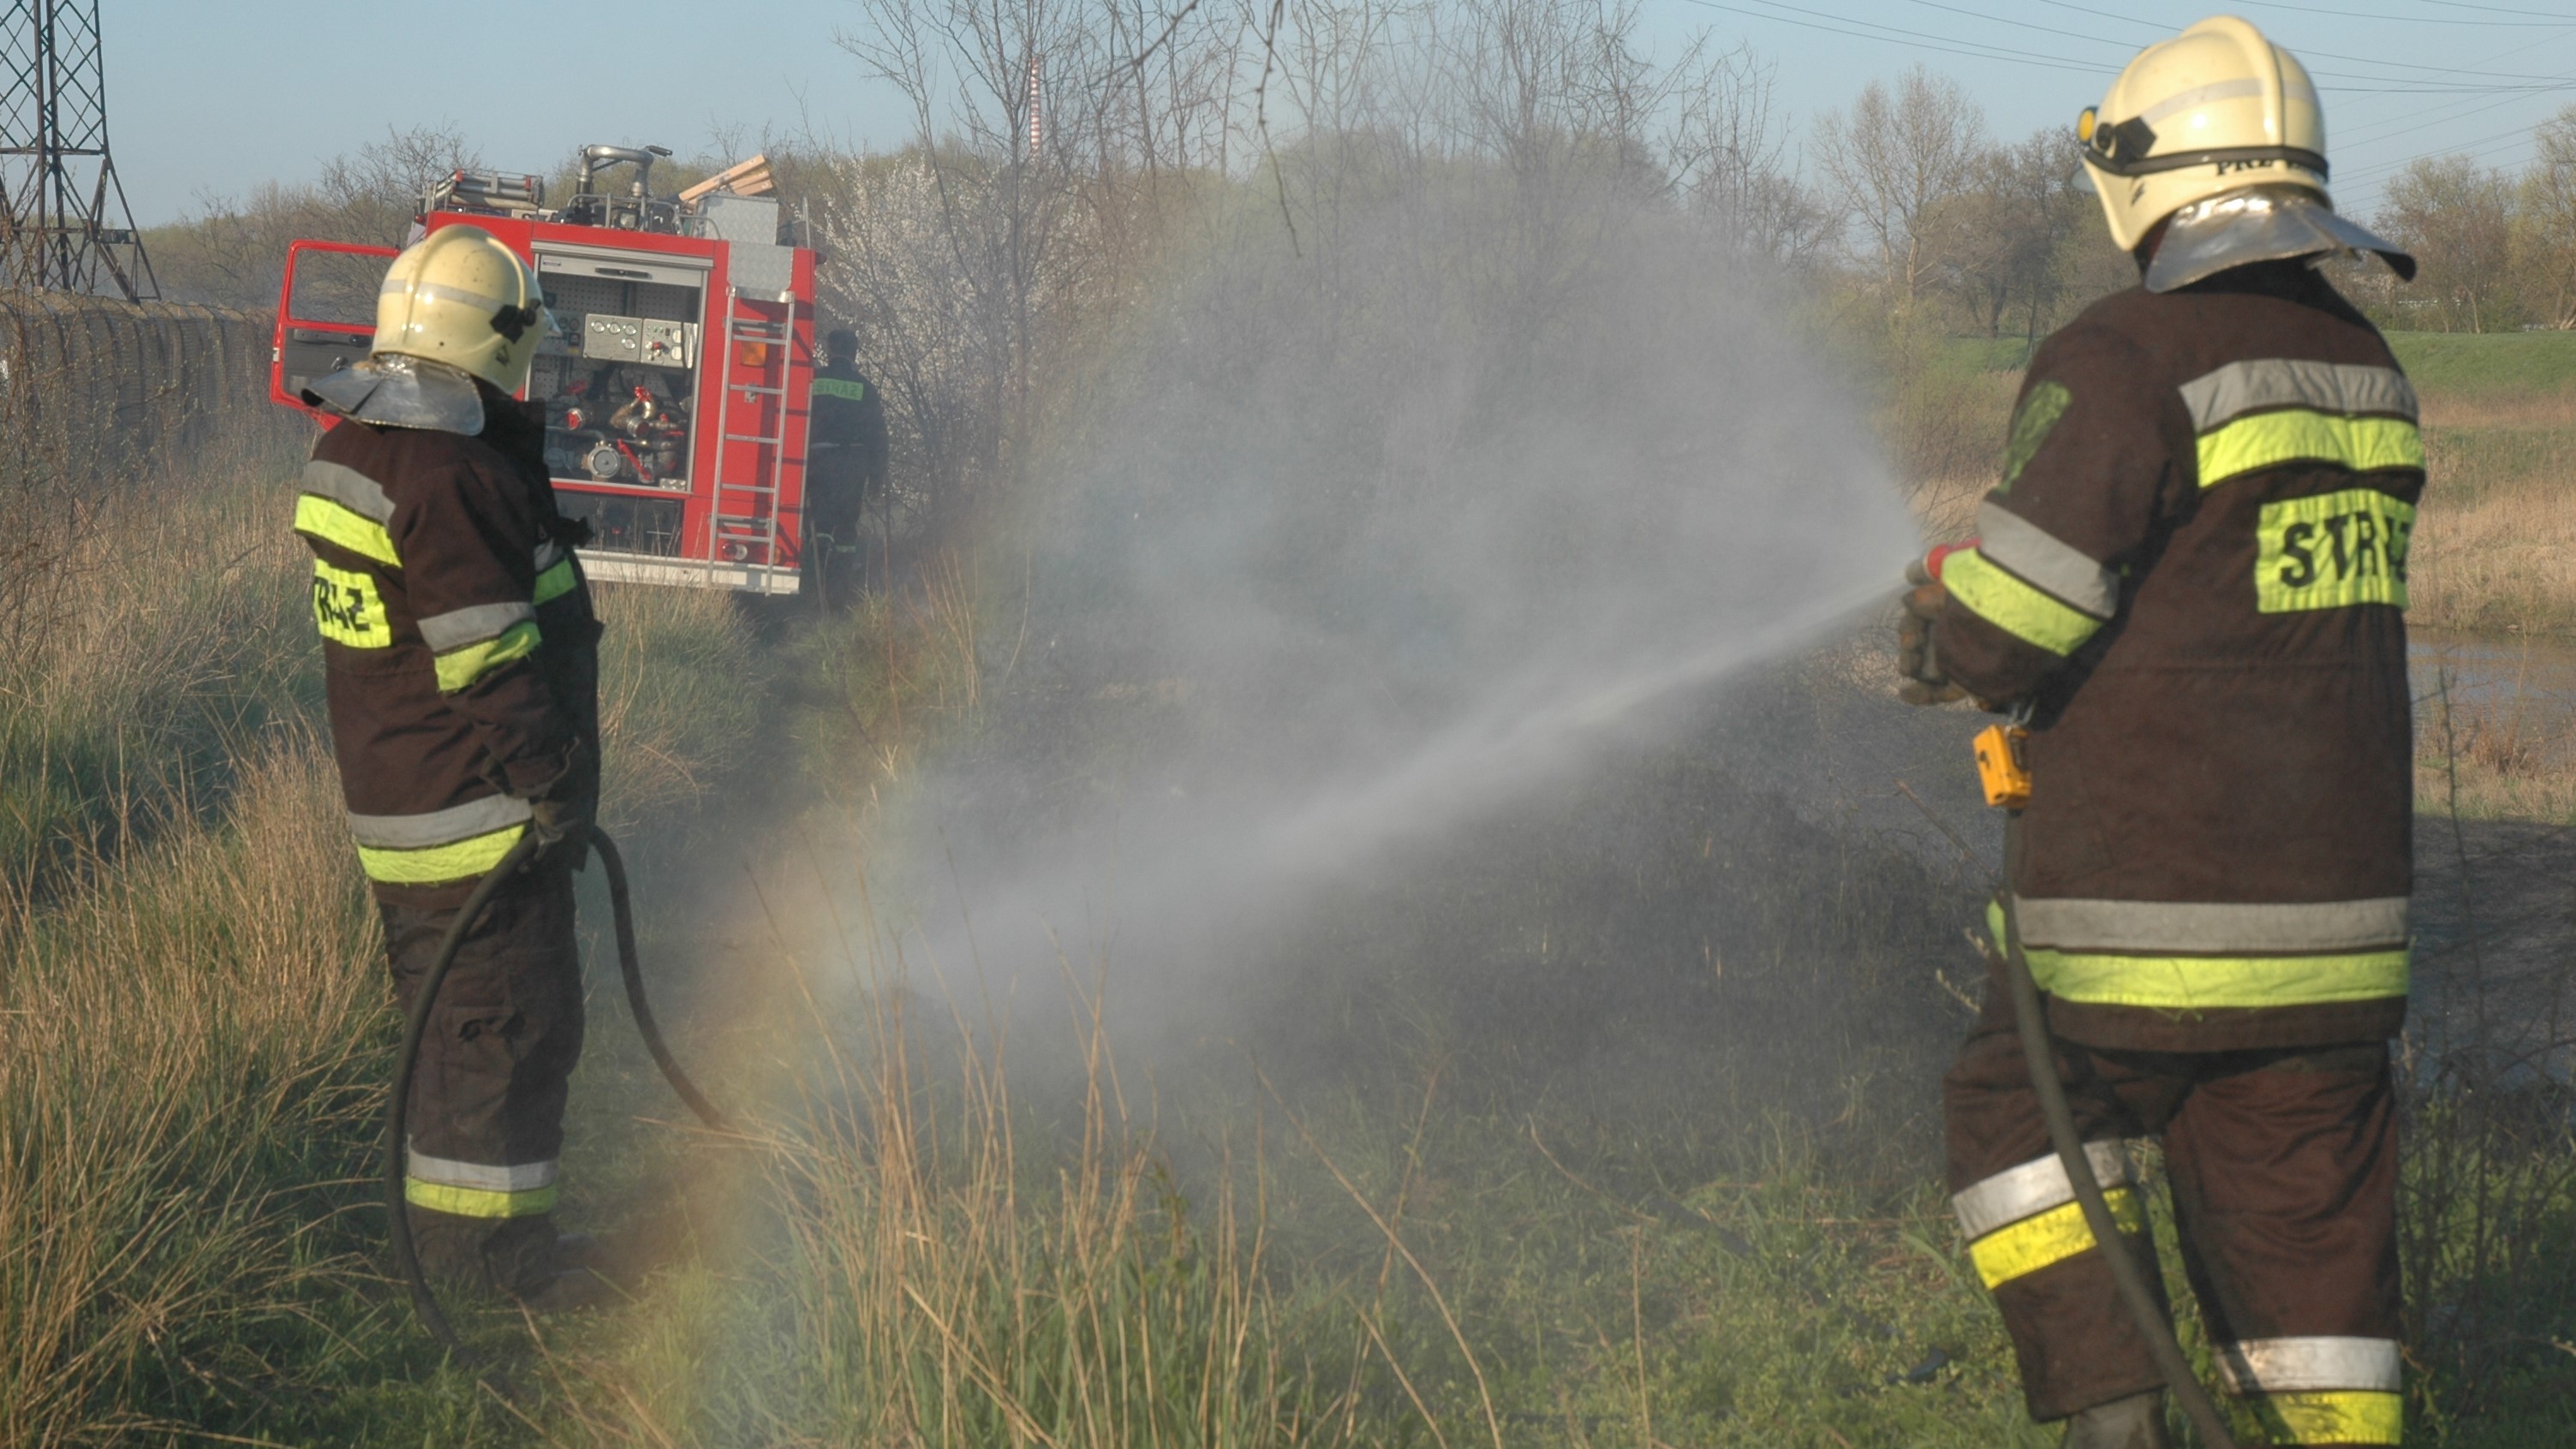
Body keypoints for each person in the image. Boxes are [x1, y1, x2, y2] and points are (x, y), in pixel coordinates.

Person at [1897, 18, 2421, 1448]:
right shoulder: (2364, 366)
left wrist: (1935, 622)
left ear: (2148, 182)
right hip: (2340, 930)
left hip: (2135, 914)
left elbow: (2011, 616)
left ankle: (2117, 1420)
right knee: (2306, 1253)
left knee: (2018, 1113)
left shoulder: (2122, 352)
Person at [294, 224, 611, 1311]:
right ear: (493, 343)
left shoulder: (354, 448)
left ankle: (482, 1255)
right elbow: (490, 665)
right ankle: (489, 1277)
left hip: (406, 806)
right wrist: (555, 784)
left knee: (459, 1035)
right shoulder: (453, 477)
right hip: (477, 816)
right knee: (503, 1034)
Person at [802, 325, 890, 606]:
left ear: (829, 350)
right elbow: (878, 435)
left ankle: (812, 585)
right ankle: (839, 590)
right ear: (855, 352)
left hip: (819, 461)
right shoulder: (866, 388)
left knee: (819, 522)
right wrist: (876, 478)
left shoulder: (814, 380)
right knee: (846, 526)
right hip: (854, 464)